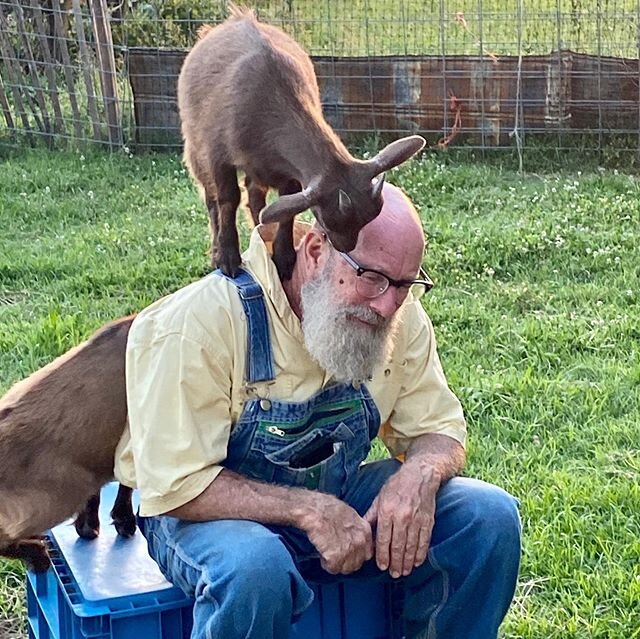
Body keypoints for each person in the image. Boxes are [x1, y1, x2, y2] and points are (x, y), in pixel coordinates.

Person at [114, 182, 521, 639]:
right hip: (203, 517)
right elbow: (177, 485)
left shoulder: (394, 317)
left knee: (488, 518)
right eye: (373, 278)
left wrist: (418, 476)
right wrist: (309, 511)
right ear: (314, 249)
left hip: (338, 501)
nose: (388, 304)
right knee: (254, 569)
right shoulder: (198, 324)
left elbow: (438, 432)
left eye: (405, 285)